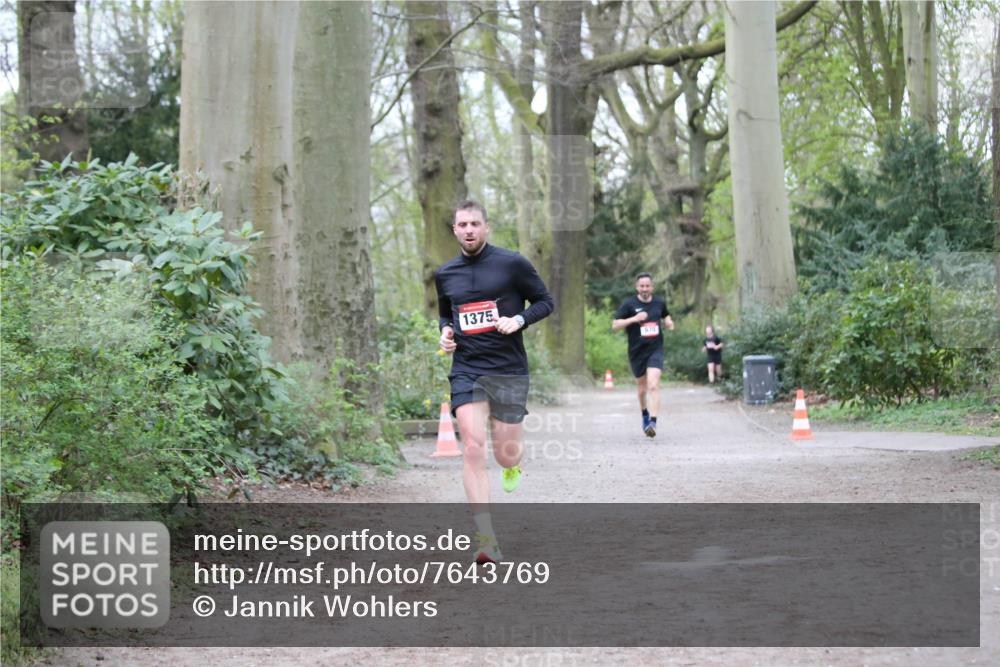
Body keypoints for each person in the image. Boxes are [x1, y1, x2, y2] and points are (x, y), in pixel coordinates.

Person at [435, 199, 554, 564]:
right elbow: (445, 313)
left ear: (486, 227)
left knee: (505, 453)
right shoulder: (445, 273)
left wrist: (518, 320)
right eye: (462, 225)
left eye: (475, 224)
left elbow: (545, 301)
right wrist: (445, 333)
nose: (469, 230)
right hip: (467, 368)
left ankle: (512, 464)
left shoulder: (512, 263)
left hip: (508, 369)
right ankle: (486, 538)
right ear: (454, 230)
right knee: (472, 446)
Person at [612, 273, 674, 438]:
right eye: (642, 286)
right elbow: (615, 325)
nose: (645, 289)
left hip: (655, 349)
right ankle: (645, 414)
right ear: (637, 287)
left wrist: (668, 321)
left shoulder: (659, 302)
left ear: (652, 287)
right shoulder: (629, 304)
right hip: (636, 351)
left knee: (653, 385)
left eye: (648, 286)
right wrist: (634, 319)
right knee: (642, 389)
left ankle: (653, 422)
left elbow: (666, 314)